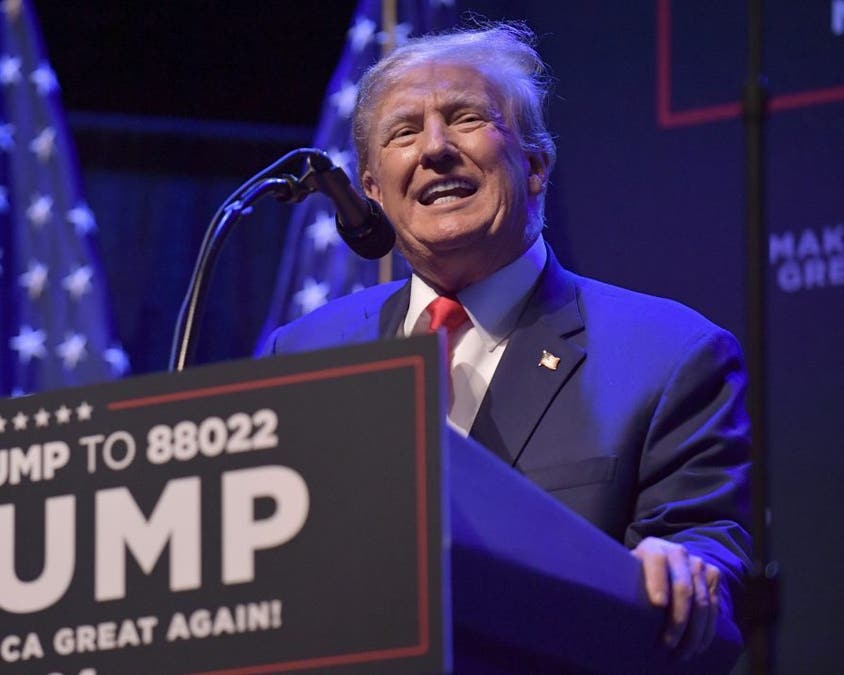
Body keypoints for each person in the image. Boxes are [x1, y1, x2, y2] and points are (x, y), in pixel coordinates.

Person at [258, 22, 751, 666]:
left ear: (536, 166)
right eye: (404, 132)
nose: (435, 148)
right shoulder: (304, 356)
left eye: (466, 119)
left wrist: (681, 570)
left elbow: (704, 552)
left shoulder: (670, 354)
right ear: (374, 191)